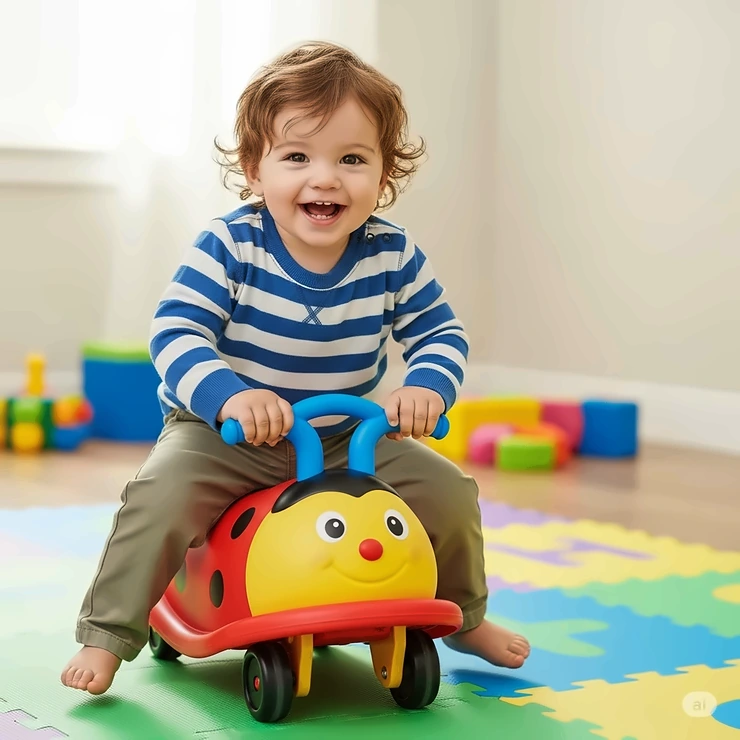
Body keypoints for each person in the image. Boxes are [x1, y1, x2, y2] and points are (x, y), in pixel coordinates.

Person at [61, 40, 530, 696]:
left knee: (450, 492)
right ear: (256, 170)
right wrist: (229, 397)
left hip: (349, 439)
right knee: (158, 496)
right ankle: (108, 634)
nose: (326, 178)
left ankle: (463, 615)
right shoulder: (231, 244)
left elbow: (439, 332)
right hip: (224, 436)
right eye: (297, 157)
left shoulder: (391, 255)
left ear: (384, 175)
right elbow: (176, 330)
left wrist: (425, 385)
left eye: (352, 159)